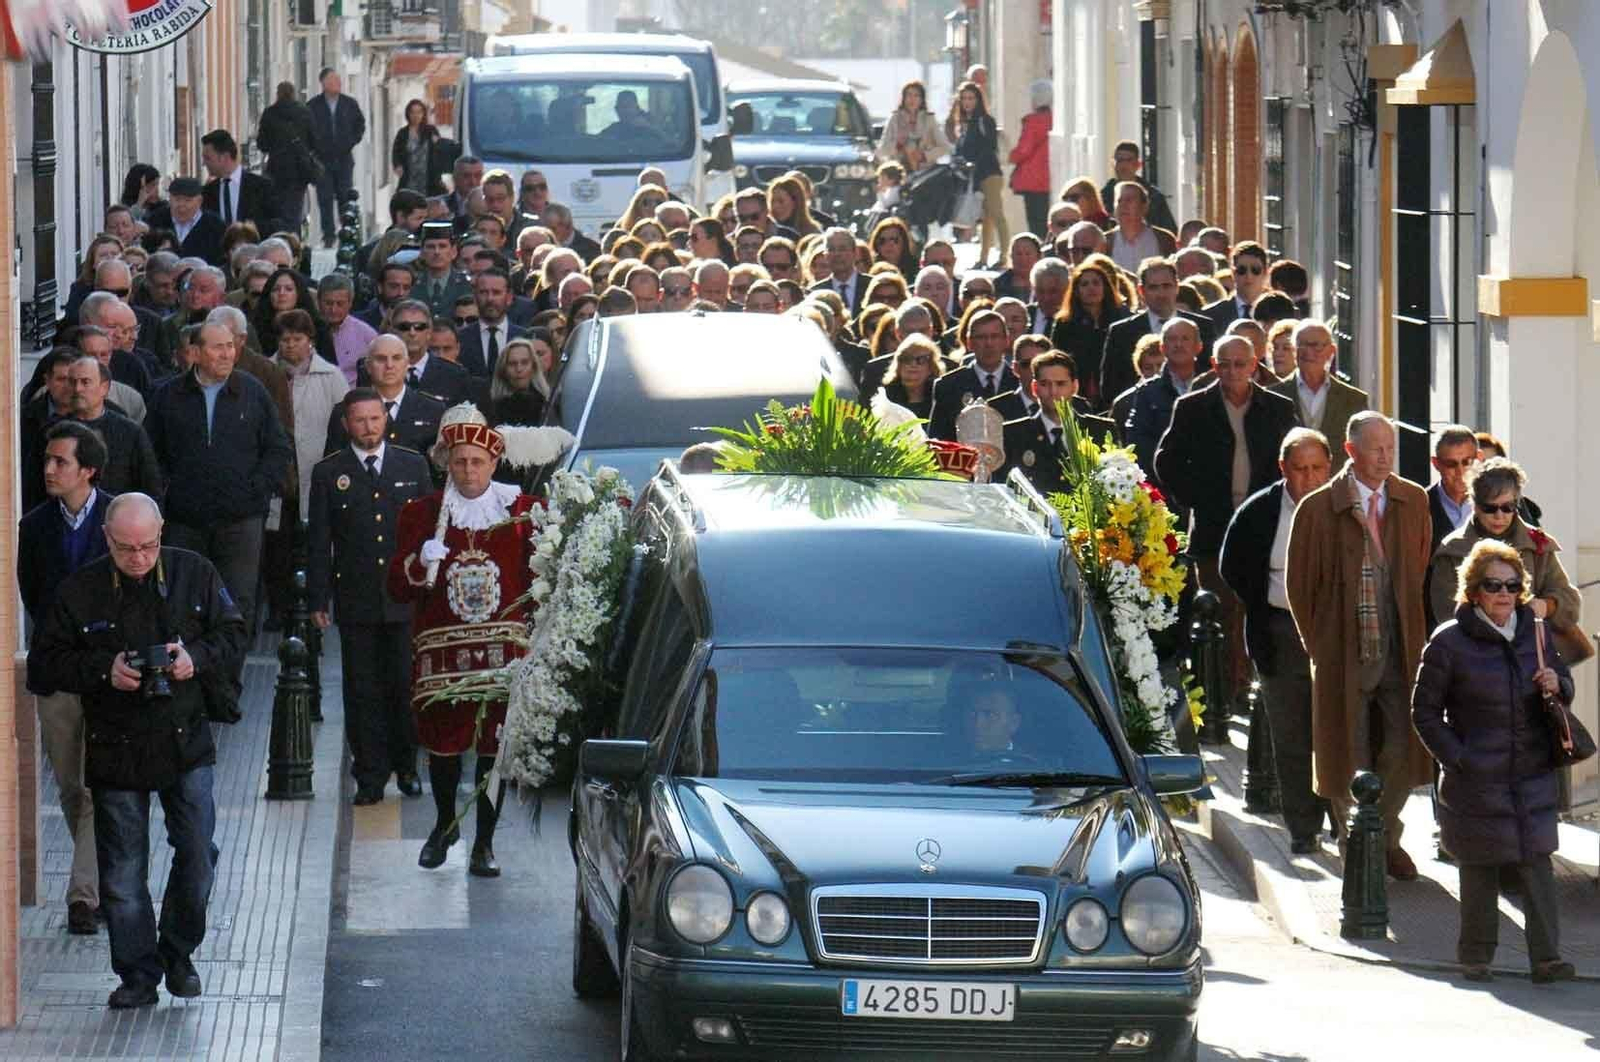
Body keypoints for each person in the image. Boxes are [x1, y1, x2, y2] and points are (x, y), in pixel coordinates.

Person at [32, 492, 247, 1009]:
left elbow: (234, 633)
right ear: (107, 539)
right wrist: (104, 671)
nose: (138, 558)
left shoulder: (194, 572)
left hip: (185, 739)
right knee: (123, 872)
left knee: (198, 854)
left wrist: (193, 657)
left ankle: (178, 953)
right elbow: (44, 665)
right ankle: (137, 973)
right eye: (126, 548)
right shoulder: (80, 591)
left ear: (162, 534)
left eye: (148, 546)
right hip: (116, 744)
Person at [1411, 539, 1577, 984]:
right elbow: (1424, 712)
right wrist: (1457, 758)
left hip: (1531, 771)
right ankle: (1476, 957)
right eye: (1493, 585)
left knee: (1537, 862)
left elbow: (1565, 686)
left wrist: (1556, 683)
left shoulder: (1536, 633)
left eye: (1512, 585)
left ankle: (1547, 958)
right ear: (1473, 591)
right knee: (1480, 866)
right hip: (1477, 774)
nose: (1504, 593)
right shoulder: (1448, 643)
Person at [388, 407, 538, 876]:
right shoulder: (422, 514)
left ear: (494, 464)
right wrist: (418, 560)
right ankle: (444, 823)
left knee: (493, 750)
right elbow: (396, 585)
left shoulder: (523, 511)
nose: (469, 471)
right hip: (442, 655)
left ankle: (485, 844)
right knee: (445, 747)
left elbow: (542, 578)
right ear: (446, 464)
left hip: (503, 653)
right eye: (459, 462)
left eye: (477, 462)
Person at [1286, 411, 1434, 880]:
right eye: (1376, 448)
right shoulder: (1317, 508)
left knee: (1400, 745)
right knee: (1344, 745)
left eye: (1391, 447)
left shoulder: (1412, 500)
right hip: (1341, 650)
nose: (1385, 456)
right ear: (1351, 451)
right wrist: (1321, 646)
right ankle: (1353, 841)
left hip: (1399, 644)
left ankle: (1384, 837)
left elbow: (1420, 569)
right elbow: (1299, 587)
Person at [145, 321, 293, 678]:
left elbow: (277, 448)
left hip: (240, 520)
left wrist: (256, 489)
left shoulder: (252, 392)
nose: (227, 354)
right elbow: (151, 454)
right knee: (183, 598)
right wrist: (167, 494)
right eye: (217, 347)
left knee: (237, 601)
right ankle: (190, 676)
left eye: (231, 346)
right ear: (194, 353)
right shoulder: (168, 395)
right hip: (185, 520)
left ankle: (227, 683)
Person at [308, 390, 433, 805]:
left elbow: (431, 533)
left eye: (374, 419)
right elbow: (320, 539)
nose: (368, 427)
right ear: (347, 423)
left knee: (404, 684)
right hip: (357, 596)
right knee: (362, 690)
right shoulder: (330, 472)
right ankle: (370, 774)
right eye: (359, 420)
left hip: (405, 596)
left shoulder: (412, 465)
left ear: (385, 420)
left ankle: (407, 767)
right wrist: (318, 598)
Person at [18, 421, 116, 935]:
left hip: (107, 671)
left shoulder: (117, 516)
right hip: (58, 671)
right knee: (73, 785)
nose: (50, 469)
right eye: (48, 461)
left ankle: (84, 895)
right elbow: (34, 596)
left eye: (61, 462)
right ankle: (91, 880)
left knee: (99, 786)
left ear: (88, 470)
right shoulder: (33, 527)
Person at [1220, 428, 1335, 853]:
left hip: (1333, 633)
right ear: (1283, 468)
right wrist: (1262, 602)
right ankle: (1304, 828)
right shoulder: (1260, 511)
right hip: (1281, 631)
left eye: (1318, 469)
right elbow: (1233, 564)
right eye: (1301, 469)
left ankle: (1343, 822)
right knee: (1291, 734)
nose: (1309, 478)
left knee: (1337, 729)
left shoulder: (1344, 507)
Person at [1427, 457, 1581, 639]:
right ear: (1474, 505)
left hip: (1530, 651)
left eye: (1508, 507)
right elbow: (1446, 612)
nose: (1499, 516)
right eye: (1490, 508)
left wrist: (1546, 606)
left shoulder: (1537, 544)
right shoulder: (1453, 550)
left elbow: (1570, 601)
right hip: (1474, 653)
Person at [1101, 257, 1214, 406]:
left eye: (1166, 286)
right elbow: (1111, 388)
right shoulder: (1121, 332)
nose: (1161, 294)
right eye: (1153, 287)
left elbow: (1211, 375)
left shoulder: (1203, 326)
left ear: (1177, 287)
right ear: (1141, 290)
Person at [999, 350, 1113, 494]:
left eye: (1060, 384)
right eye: (1045, 384)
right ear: (1034, 388)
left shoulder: (1100, 431)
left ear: (1074, 387)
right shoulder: (1014, 434)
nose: (1053, 392)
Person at [272, 309, 349, 518]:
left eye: (298, 338)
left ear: (310, 340)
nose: (291, 344)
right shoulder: (266, 372)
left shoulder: (331, 375)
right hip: (278, 466)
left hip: (319, 461)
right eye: (285, 339)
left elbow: (346, 422)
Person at [328, 334, 447, 456]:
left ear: (407, 364)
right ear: (368, 366)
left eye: (396, 358)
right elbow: (334, 467)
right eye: (381, 359)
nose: (389, 365)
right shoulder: (344, 411)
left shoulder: (434, 410)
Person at [1267, 319, 1369, 456]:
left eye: (1316, 346)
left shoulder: (1354, 400)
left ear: (1331, 351)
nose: (1309, 352)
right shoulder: (1272, 396)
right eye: (1302, 345)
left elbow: (1362, 452)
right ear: (1293, 350)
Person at [1051, 253, 1130, 411]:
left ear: (1105, 287)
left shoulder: (1122, 318)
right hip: (1078, 392)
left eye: (1096, 283)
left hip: (1116, 390)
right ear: (1076, 290)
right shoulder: (1064, 324)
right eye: (1084, 284)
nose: (1091, 288)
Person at [928, 309, 1017, 442]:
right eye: (981, 337)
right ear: (969, 342)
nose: (989, 343)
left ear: (1006, 340)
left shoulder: (1018, 382)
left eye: (995, 336)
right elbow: (938, 440)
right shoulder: (948, 386)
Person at [366, 299, 474, 408]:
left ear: (429, 332)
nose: (412, 333)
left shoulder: (455, 375)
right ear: (393, 331)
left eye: (419, 327)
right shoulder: (373, 370)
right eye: (404, 327)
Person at [946, 80, 1008, 268]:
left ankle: (1005, 256)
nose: (967, 102)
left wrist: (973, 162)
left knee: (997, 215)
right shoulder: (966, 124)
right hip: (975, 178)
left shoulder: (984, 120)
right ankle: (983, 259)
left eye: (971, 98)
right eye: (964, 98)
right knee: (986, 220)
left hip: (989, 174)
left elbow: (990, 147)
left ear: (978, 100)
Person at [309, 67, 367, 247]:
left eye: (338, 80)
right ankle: (328, 235)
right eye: (333, 80)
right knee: (324, 198)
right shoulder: (313, 105)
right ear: (324, 83)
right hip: (322, 160)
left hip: (344, 158)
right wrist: (315, 148)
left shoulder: (349, 104)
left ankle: (347, 233)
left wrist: (351, 141)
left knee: (345, 195)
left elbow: (360, 125)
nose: (338, 83)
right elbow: (307, 130)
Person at [255, 82, 319, 232]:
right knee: (295, 209)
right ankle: (294, 241)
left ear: (277, 94)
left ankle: (281, 238)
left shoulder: (270, 113)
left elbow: (262, 144)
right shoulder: (304, 112)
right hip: (299, 169)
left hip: (276, 169)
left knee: (278, 209)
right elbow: (314, 141)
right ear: (294, 93)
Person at [200, 129, 278, 233]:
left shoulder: (262, 187)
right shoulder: (207, 192)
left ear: (224, 157)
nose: (204, 163)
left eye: (207, 158)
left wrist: (248, 230)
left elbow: (278, 224)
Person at [458, 269, 526, 377]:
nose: (490, 299)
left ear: (509, 297)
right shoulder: (460, 339)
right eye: (484, 292)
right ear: (475, 297)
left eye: (496, 292)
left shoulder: (525, 338)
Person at [1099, 140, 1178, 233]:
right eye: (1119, 160)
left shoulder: (1154, 197)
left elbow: (1169, 232)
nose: (1124, 165)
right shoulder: (1102, 197)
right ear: (1113, 164)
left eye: (1129, 160)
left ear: (1138, 164)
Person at [1009, 80, 1054, 238]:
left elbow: (1024, 150)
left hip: (1032, 179)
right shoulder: (1054, 119)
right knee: (1047, 220)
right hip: (1049, 177)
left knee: (1035, 222)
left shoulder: (1033, 121)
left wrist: (1011, 156)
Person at [1427, 424, 1479, 554]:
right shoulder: (1420, 506)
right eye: (1451, 464)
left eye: (1467, 462)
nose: (1460, 471)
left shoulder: (1500, 505)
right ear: (1436, 464)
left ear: (1479, 459)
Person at [150, 177, 225, 266]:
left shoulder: (215, 224)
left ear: (200, 201)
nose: (181, 205)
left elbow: (221, 259)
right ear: (169, 199)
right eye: (177, 199)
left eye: (187, 200)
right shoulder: (155, 220)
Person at [877, 79, 948, 174]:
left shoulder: (929, 119)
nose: (912, 99)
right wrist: (897, 145)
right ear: (904, 98)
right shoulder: (895, 118)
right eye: (909, 95)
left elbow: (944, 147)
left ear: (921, 99)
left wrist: (924, 155)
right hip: (900, 173)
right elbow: (882, 150)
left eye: (916, 95)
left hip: (925, 173)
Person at [318, 273, 378, 385]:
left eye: (340, 304)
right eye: (328, 303)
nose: (333, 309)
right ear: (319, 301)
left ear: (350, 303)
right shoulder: (307, 329)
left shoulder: (367, 334)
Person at [1105, 181, 1176, 273]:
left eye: (1129, 200)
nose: (1123, 205)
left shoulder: (1163, 239)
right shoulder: (1105, 241)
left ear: (1144, 206)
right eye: (1119, 201)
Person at [487, 334, 550, 426]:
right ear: (503, 370)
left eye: (524, 362)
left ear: (533, 366)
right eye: (512, 364)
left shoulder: (548, 405)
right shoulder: (491, 409)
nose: (519, 369)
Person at [392, 99, 450, 195]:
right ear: (408, 114)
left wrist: (438, 142)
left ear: (423, 114)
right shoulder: (402, 133)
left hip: (430, 181)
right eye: (413, 112)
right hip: (409, 181)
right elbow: (395, 152)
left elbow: (441, 150)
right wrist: (397, 165)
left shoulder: (431, 130)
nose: (416, 115)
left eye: (419, 112)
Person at [880, 334, 942, 420]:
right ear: (898, 365)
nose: (913, 364)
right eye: (906, 359)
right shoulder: (885, 398)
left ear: (931, 366)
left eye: (921, 360)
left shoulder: (942, 396)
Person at [809, 227, 870, 314]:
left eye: (842, 249)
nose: (837, 254)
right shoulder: (815, 292)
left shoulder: (871, 285)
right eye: (832, 249)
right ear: (825, 255)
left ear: (855, 252)